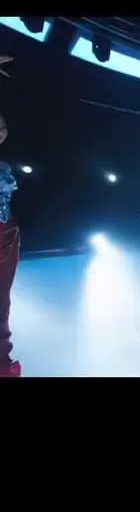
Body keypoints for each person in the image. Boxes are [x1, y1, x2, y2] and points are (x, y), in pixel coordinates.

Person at [0, 114, 21, 378]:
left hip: (5, 234)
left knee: (1, 302)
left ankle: (3, 363)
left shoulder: (3, 166)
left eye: (2, 129)